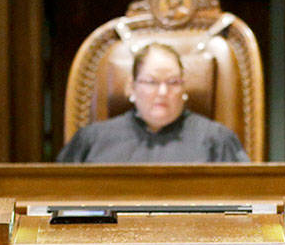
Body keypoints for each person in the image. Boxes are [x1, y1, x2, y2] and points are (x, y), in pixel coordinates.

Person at [56, 42, 248, 163]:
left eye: (173, 82)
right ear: (131, 87)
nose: (163, 92)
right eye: (152, 82)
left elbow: (248, 204)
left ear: (184, 88)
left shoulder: (218, 140)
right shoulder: (92, 140)